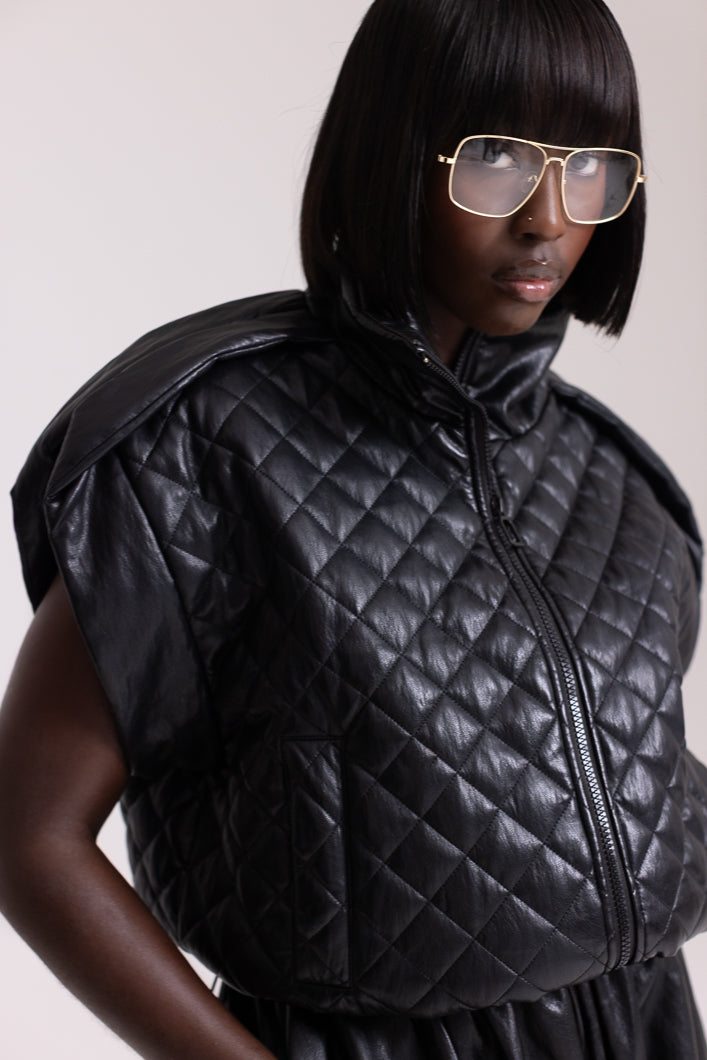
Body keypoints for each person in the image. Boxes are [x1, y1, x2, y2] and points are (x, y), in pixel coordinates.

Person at [1, 0, 706, 1057]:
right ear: (391, 150)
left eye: (590, 166)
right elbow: (28, 839)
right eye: (496, 157)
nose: (548, 218)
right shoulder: (204, 443)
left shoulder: (621, 485)